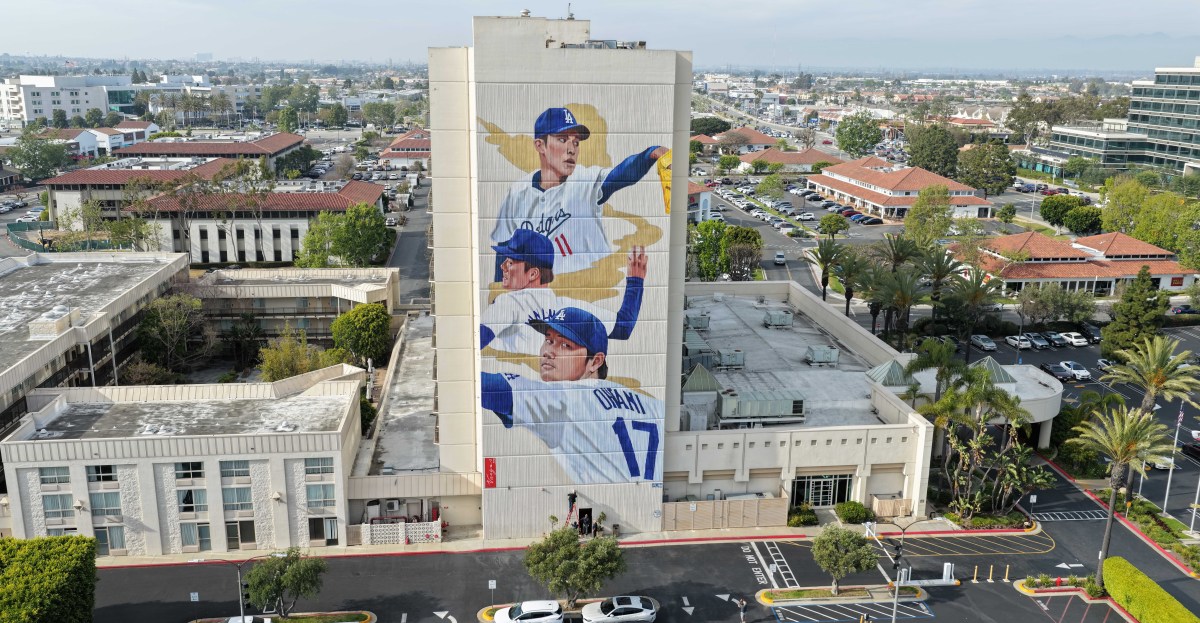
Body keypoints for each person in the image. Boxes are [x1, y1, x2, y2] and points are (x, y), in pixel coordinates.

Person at [480, 307, 663, 485]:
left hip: (609, 502)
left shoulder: (567, 398)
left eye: (566, 345)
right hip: (649, 497)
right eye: (549, 340)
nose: (548, 351)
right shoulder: (652, 405)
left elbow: (483, 386)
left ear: (595, 361)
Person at [491, 107, 669, 277]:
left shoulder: (585, 180)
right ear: (540, 145)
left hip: (594, 288)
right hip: (547, 293)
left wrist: (650, 154)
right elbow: (504, 255)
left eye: (575, 142)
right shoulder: (517, 193)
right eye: (562, 140)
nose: (572, 149)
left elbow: (622, 174)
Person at [480, 228, 647, 356]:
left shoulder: (509, 302)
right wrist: (635, 281)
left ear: (533, 274)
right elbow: (623, 327)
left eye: (510, 263)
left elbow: (475, 341)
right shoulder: (569, 309)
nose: (503, 266)